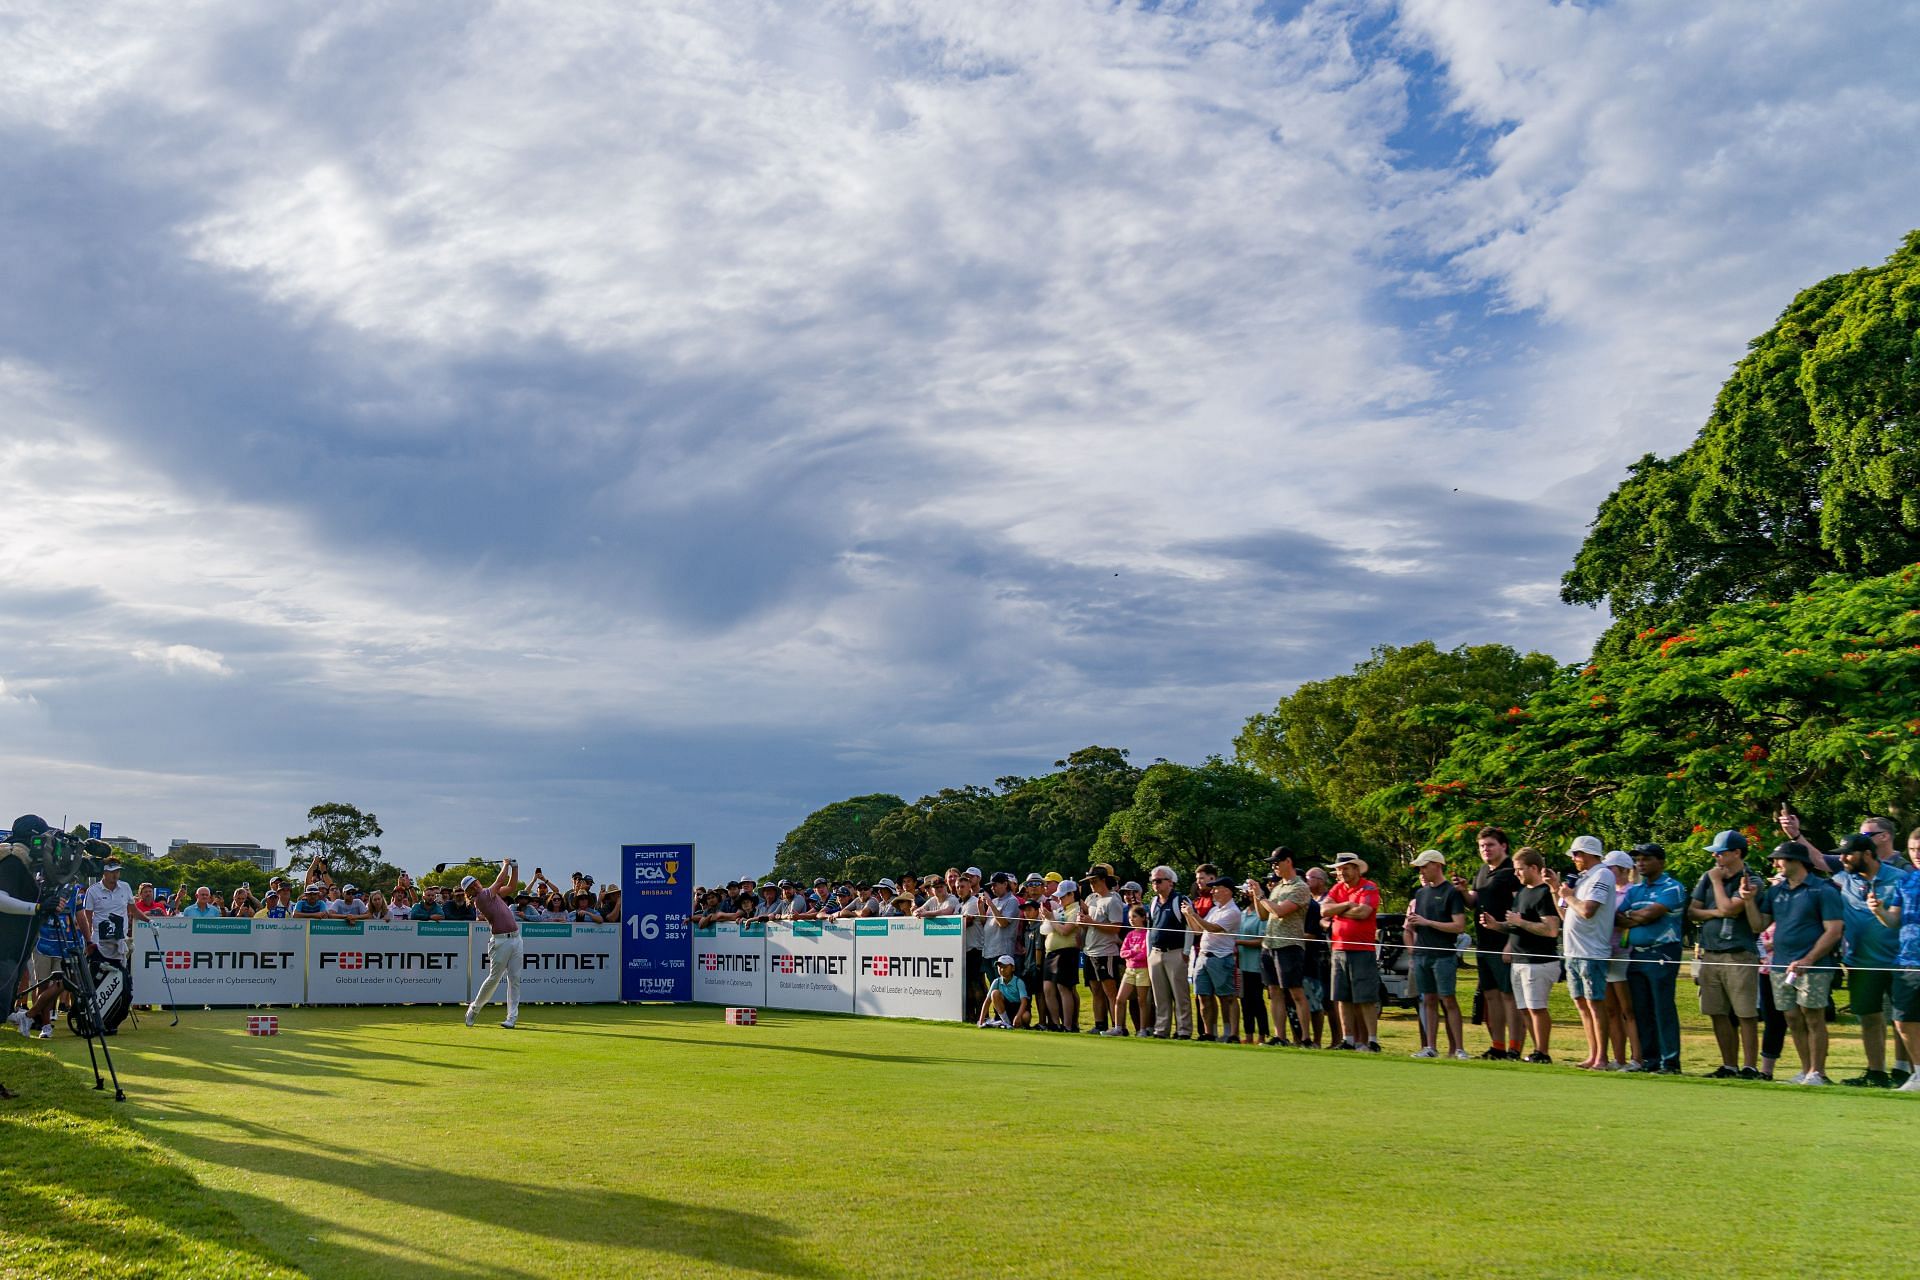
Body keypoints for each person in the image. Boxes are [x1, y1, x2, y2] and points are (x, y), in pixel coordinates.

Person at [1748, 841, 1845, 1085]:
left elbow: (1833, 931)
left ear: (1796, 861)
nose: (1774, 864)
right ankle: (1805, 1071)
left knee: (1813, 1017)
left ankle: (1818, 1073)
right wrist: (1748, 900)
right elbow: (1758, 925)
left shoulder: (1823, 890)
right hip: (1781, 965)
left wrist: (1808, 959)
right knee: (1792, 1018)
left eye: (1778, 859)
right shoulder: (1776, 891)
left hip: (1814, 966)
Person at [1828, 832, 1910, 1087]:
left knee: (1903, 1020)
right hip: (1860, 962)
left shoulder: (1900, 878)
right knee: (1869, 1017)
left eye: (1848, 853)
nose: (1843, 858)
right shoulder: (1841, 880)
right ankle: (1876, 1072)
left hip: (1899, 961)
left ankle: (1903, 1070)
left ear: (1867, 854)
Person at [1688, 830, 1765, 1079]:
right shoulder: (1706, 877)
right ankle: (1729, 1065)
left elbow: (1730, 908)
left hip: (1739, 954)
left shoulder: (1751, 880)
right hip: (1711, 953)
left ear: (1737, 853)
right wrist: (1717, 913)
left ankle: (1750, 1067)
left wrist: (1718, 884)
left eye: (1720, 853)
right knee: (1717, 1011)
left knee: (1745, 1013)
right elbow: (1693, 911)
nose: (1716, 857)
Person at [1618, 843, 1686, 1074]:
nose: (1640, 864)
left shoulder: (1673, 887)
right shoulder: (1634, 890)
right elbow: (1617, 918)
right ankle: (1650, 1060)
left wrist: (1634, 917)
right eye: (1638, 860)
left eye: (1646, 859)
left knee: (1662, 1007)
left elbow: (1649, 915)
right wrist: (1636, 918)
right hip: (1637, 953)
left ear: (1661, 861)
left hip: (1662, 952)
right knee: (1642, 1009)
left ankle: (1670, 1062)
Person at [1556, 836, 1617, 1071]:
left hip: (1591, 951)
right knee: (1581, 1003)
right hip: (1573, 950)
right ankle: (1592, 1055)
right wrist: (1556, 890)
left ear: (1590, 853)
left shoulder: (1602, 875)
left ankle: (1602, 1057)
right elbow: (1565, 914)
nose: (1574, 859)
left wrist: (1569, 896)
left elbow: (1588, 910)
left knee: (1594, 1003)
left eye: (1577, 854)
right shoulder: (1582, 878)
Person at [1460, 826, 1521, 1059]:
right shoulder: (1483, 871)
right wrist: (1463, 891)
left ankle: (1514, 1048)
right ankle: (1498, 1047)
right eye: (1482, 846)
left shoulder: (1512, 872)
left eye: (1490, 845)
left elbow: (1520, 909)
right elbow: (1473, 902)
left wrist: (1511, 943)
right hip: (1484, 944)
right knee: (1491, 994)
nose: (1485, 849)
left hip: (1504, 943)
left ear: (1503, 846)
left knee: (1508, 995)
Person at [1404, 849, 1468, 1059]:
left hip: (1443, 954)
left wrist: (1427, 922)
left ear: (1437, 865)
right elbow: (1413, 926)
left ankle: (1459, 1049)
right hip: (1422, 954)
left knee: (1448, 999)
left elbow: (1458, 926)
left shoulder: (1451, 892)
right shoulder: (1421, 894)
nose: (1422, 870)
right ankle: (1430, 1047)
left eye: (1425, 866)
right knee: (1428, 1000)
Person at [1866, 862, 1920, 1091]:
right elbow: (1894, 920)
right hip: (1907, 961)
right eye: (1914, 849)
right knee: (1903, 1020)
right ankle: (1919, 1074)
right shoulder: (1906, 881)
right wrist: (1879, 911)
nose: (1918, 854)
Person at [1503, 848, 1560, 1062]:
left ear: (1534, 868)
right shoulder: (1522, 892)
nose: (1516, 874)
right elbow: (1516, 926)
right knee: (1525, 1009)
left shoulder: (1545, 892)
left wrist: (1520, 922)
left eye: (1520, 869)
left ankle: (1543, 1052)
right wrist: (1497, 926)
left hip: (1539, 961)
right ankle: (1536, 1050)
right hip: (1519, 960)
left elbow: (1551, 929)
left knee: (1537, 1008)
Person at [1320, 852, 1381, 1052]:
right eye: (1339, 869)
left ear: (1356, 869)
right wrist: (1346, 905)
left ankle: (1372, 1040)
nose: (1341, 872)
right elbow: (1323, 910)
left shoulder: (1369, 887)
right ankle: (1349, 1039)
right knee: (1342, 996)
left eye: (1345, 868)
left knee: (1365, 997)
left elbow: (1364, 912)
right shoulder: (1337, 888)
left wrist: (1337, 910)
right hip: (1338, 949)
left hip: (1362, 950)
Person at [1253, 848, 1312, 1047]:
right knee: (1274, 991)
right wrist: (1256, 895)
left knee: (1295, 992)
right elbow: (1263, 915)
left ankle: (1305, 1038)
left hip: (1289, 945)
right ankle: (1280, 1036)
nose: (1274, 866)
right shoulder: (1277, 887)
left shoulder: (1300, 887)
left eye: (1277, 862)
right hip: (1269, 944)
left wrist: (1261, 896)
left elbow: (1279, 912)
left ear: (1289, 861)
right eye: (1272, 863)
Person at [464, 861, 525, 1029]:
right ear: (469, 892)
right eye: (471, 886)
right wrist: (505, 864)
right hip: (500, 941)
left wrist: (515, 867)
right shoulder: (481, 898)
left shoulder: (491, 894)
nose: (475, 886)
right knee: (494, 978)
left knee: (515, 979)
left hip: (516, 939)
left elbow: (511, 886)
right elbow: (499, 881)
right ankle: (474, 1008)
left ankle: (511, 1018)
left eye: (475, 882)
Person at [1184, 878, 1243, 1042]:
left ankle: (1231, 1033)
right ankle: (1210, 1032)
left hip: (1221, 958)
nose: (1213, 891)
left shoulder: (1233, 911)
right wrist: (1189, 916)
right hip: (1203, 956)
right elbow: (1198, 930)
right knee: (1203, 995)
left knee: (1227, 997)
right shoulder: (1215, 909)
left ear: (1227, 891)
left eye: (1216, 888)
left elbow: (1212, 928)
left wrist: (1194, 914)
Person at [1600, 850, 1642, 1072]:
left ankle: (1637, 1058)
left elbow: (1632, 920)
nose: (1606, 872)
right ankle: (1619, 1058)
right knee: (1611, 1010)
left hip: (1623, 953)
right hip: (1604, 953)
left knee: (1628, 1010)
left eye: (1611, 868)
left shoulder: (1632, 892)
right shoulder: (1605, 891)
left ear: (1625, 870)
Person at [1079, 864, 1128, 1035]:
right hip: (1090, 950)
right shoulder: (1091, 898)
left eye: (1095, 880)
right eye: (1090, 881)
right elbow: (1088, 916)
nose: (1092, 884)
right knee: (1095, 990)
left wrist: (1091, 922)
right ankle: (1099, 1024)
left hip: (1105, 951)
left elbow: (1116, 928)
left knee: (1110, 991)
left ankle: (1118, 1026)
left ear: (1103, 880)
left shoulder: (1113, 900)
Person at [1145, 866, 1193, 1039]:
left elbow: (1189, 926)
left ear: (1170, 882)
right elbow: (1150, 929)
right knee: (1160, 996)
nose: (1155, 884)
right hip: (1156, 953)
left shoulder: (1180, 899)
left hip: (1176, 952)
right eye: (1153, 881)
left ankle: (1184, 1030)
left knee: (1180, 995)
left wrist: (1186, 951)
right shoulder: (1152, 902)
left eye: (1159, 881)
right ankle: (1161, 1029)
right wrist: (1149, 953)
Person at [1040, 880, 1083, 1031]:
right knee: (1048, 988)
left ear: (1072, 894)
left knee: (1064, 988)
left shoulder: (1076, 910)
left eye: (1063, 896)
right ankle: (1056, 1023)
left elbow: (1065, 930)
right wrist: (1047, 918)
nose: (1059, 899)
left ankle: (1068, 1025)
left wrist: (1051, 918)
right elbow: (1046, 929)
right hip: (1051, 953)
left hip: (1067, 952)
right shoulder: (1060, 910)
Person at [1303, 866, 1337, 1046]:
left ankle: (1336, 1040)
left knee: (1330, 1000)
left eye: (1310, 878)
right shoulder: (1309, 900)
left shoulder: (1328, 898)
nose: (1306, 881)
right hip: (1312, 956)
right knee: (1317, 998)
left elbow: (1327, 922)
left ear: (1321, 880)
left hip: (1327, 954)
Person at [1233, 887, 1269, 1044]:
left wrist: (1239, 942)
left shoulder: (1261, 915)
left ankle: (1262, 1035)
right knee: (1245, 1001)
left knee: (1257, 1001)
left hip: (1256, 965)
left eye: (1246, 892)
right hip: (1242, 964)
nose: (1243, 895)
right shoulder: (1242, 914)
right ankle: (1248, 1035)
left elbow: (1262, 940)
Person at [1119, 905, 1153, 1036]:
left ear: (1143, 917)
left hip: (1142, 970)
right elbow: (1122, 952)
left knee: (1142, 1001)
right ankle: (1118, 1027)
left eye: (1134, 916)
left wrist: (1132, 954)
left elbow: (1144, 954)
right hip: (1129, 969)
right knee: (1120, 999)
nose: (1131, 920)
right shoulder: (1130, 934)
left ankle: (1143, 1029)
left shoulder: (1147, 934)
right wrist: (1133, 951)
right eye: (1129, 917)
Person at [979, 955, 1030, 1028]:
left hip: (1017, 1008)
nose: (1002, 969)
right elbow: (987, 1001)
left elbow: (1024, 1002)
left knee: (1026, 1016)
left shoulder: (1018, 982)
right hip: (1003, 1010)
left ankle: (1013, 1024)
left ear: (1013, 968)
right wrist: (981, 1021)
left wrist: (1018, 1016)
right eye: (1000, 967)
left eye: (1005, 967)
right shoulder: (996, 981)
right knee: (994, 993)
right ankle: (1006, 1023)